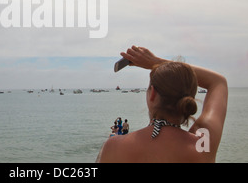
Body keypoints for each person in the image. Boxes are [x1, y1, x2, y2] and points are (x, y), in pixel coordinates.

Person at [96, 45, 228, 163]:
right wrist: (156, 62)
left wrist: (156, 64)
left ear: (152, 93)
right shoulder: (203, 144)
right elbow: (218, 82)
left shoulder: (114, 147)